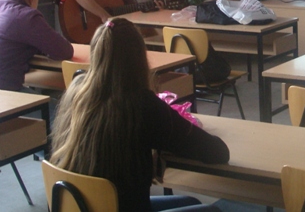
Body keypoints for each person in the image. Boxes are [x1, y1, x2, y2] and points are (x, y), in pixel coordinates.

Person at [51, 18, 229, 211]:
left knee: (190, 203)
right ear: (139, 59)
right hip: (124, 208)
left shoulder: (75, 92)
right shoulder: (141, 104)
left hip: (87, 206)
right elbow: (216, 152)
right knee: (212, 210)